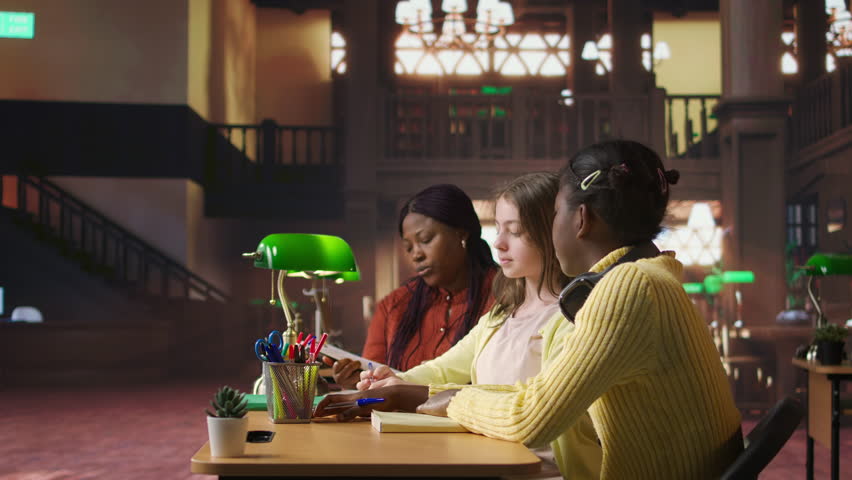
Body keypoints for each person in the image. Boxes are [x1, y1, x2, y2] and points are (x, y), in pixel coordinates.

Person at [318, 140, 743, 479]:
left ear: (580, 220)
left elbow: (531, 416)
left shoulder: (627, 287)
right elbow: (522, 395)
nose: (499, 243)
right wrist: (414, 389)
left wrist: (448, 399)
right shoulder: (648, 278)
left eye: (553, 213)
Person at [349, 172, 602, 479]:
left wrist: (425, 394)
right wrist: (395, 380)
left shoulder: (575, 315)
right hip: (486, 463)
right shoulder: (504, 312)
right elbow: (445, 367)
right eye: (499, 230)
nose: (499, 243)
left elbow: (529, 405)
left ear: (553, 232)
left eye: (516, 231)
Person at [331, 184, 497, 388]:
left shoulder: (506, 297)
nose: (416, 255)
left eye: (425, 240)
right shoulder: (394, 305)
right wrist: (358, 382)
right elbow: (375, 378)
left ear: (461, 234)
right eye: (408, 247)